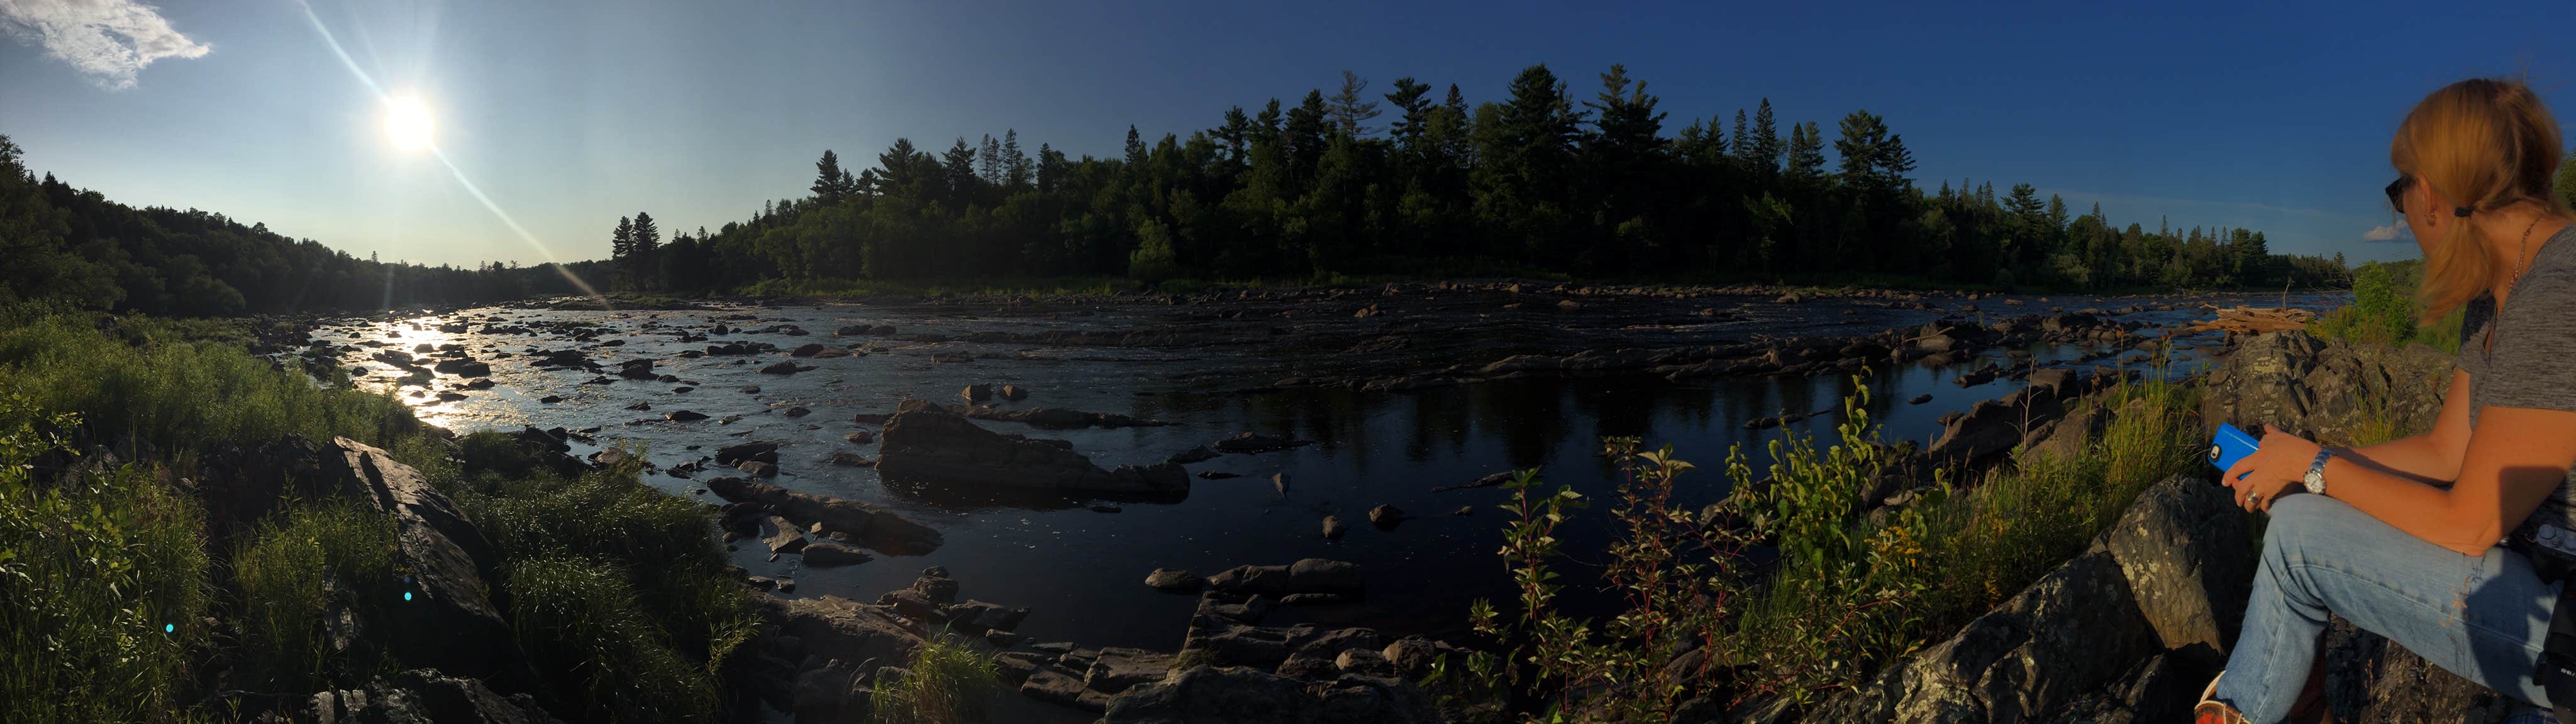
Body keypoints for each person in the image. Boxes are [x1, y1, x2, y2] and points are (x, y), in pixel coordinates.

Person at [2197, 77, 2576, 724]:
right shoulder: (2501, 286)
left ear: (2429, 191)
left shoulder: (2556, 291)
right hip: (2540, 578)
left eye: (2397, 190)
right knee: (2303, 511)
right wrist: (2304, 467)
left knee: (2295, 539)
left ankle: (2242, 710)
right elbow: (2444, 448)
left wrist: (2317, 468)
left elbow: (2469, 523)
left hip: (2561, 613)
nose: (2401, 211)